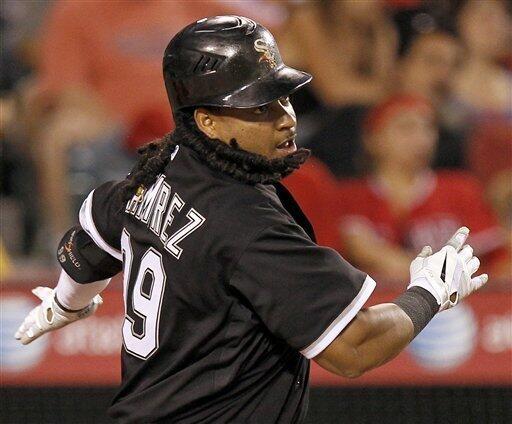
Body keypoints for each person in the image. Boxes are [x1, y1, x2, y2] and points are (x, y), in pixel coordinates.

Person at [15, 17, 488, 423]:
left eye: (282, 98)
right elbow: (354, 349)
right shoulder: (245, 221)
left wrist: (67, 303)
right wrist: (429, 293)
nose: (285, 119)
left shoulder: (166, 165)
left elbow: (93, 235)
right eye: (259, 107)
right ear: (208, 122)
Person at [337, 94, 509, 281]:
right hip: (380, 302)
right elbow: (359, 254)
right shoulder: (350, 196)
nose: (421, 138)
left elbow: (499, 260)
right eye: (406, 127)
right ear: (373, 139)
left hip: (460, 304)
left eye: (428, 128)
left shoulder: (461, 188)